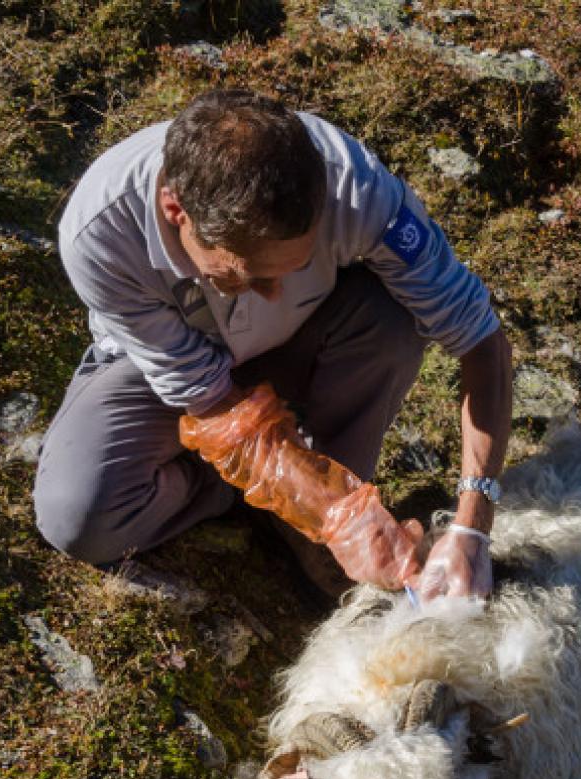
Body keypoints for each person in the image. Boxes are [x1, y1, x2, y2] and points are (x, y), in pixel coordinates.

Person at [33, 88, 511, 600]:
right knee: (79, 516)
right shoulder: (100, 234)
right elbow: (207, 396)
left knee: (392, 318)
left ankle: (316, 489)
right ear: (177, 210)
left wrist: (471, 525)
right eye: (251, 277)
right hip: (174, 375)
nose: (275, 292)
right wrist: (335, 512)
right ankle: (277, 498)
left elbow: (480, 339)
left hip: (307, 338)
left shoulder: (358, 191)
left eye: (294, 266)